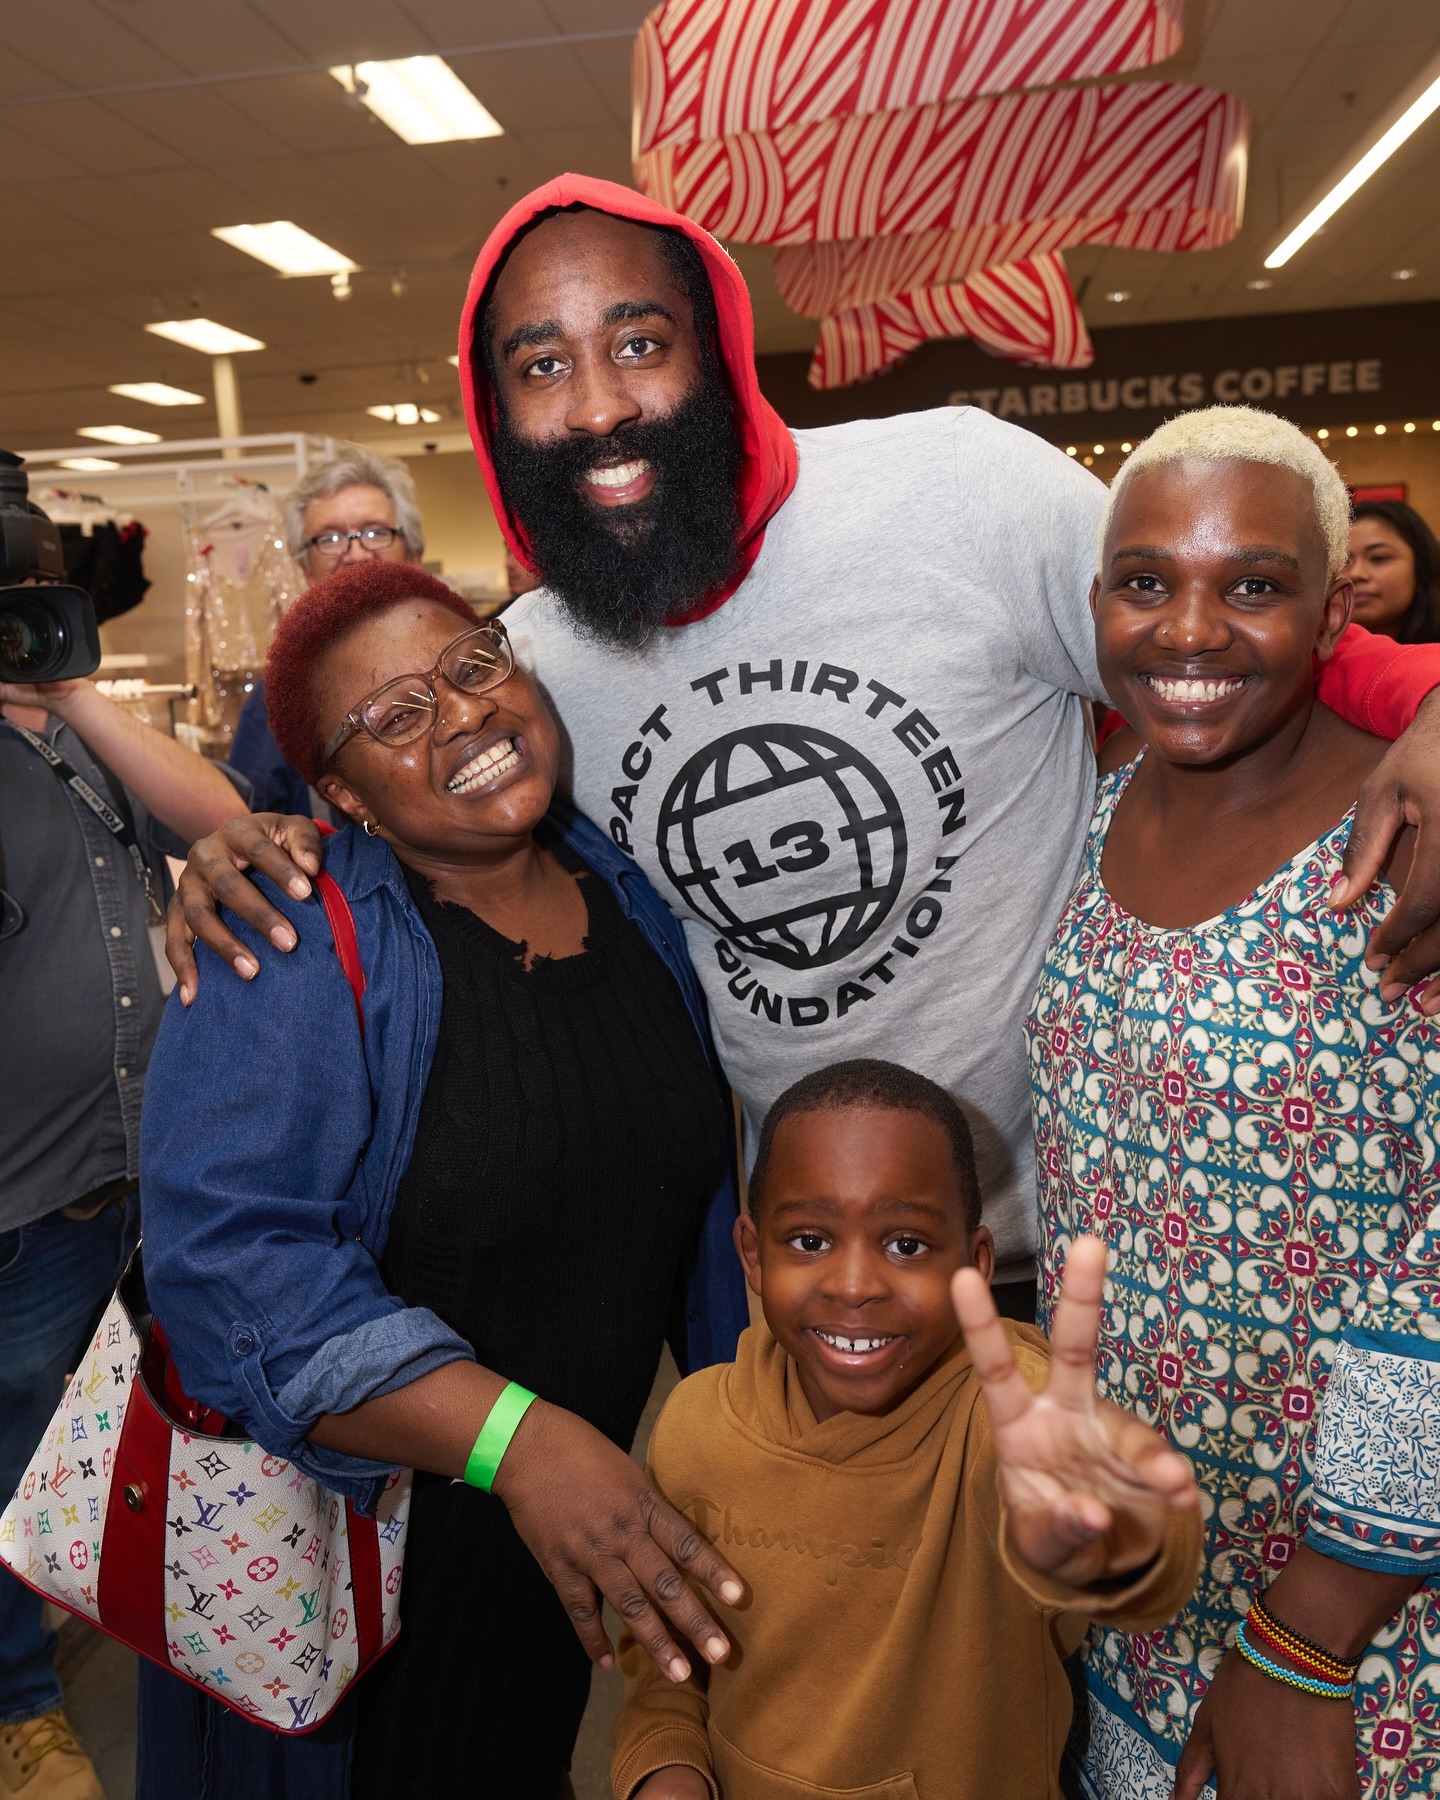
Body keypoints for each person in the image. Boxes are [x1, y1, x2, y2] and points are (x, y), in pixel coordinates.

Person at [165, 176, 1440, 1326]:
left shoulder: (965, 490)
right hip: (815, 1282)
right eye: (542, 367)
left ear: (717, 350)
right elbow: (421, 826)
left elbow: (1207, 643)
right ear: (496, 413)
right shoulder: (527, 667)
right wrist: (263, 848)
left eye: (640, 344)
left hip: (1102, 1250)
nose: (599, 404)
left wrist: (1434, 711)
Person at [134, 559, 750, 1800]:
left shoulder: (631, 899)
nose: (464, 712)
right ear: (341, 793)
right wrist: (522, 1443)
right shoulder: (286, 937)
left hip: (561, 1554)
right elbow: (231, 1272)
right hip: (349, 1590)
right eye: (396, 716)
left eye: (474, 663)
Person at [1028, 407, 1440, 1800]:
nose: (1190, 630)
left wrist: (1311, 1630)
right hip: (1142, 1586)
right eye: (1146, 582)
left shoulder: (1409, 846)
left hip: (1363, 1621)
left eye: (1252, 585)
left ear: (1331, 616)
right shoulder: (1098, 798)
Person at [611, 1059, 1201, 1800]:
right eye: (809, 1240)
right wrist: (666, 1766)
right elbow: (662, 1661)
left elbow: (1139, 1566)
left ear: (975, 1265)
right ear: (753, 1255)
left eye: (907, 1245)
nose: (856, 1285)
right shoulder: (696, 1430)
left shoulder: (999, 1417)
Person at [0, 672, 248, 1800]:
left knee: (147, 1438)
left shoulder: (91, 740)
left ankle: (145, 1620)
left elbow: (223, 818)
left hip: (150, 1174)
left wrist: (77, 698)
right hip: (22, 1195)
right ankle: (21, 1705)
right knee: (10, 1455)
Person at [228, 445, 425, 815]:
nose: (355, 554)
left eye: (374, 531)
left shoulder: (473, 662)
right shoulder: (280, 702)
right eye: (329, 539)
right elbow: (249, 824)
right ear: (306, 570)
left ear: (413, 555)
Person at [1346, 499, 1440, 643]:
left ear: (1421, 570)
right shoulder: (1315, 655)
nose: (1356, 574)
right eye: (1344, 562)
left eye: (1379, 558)